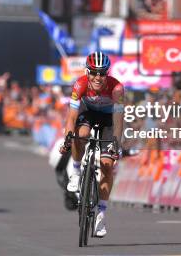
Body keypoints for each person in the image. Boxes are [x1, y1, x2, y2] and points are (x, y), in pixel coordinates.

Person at [59, 51, 124, 238]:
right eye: (94, 72)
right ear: (87, 72)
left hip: (109, 120)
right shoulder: (79, 84)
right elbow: (71, 117)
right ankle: (77, 170)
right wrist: (68, 139)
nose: (98, 77)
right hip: (88, 113)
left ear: (107, 73)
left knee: (107, 165)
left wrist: (115, 144)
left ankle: (101, 214)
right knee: (82, 135)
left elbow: (119, 121)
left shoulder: (117, 89)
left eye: (102, 73)